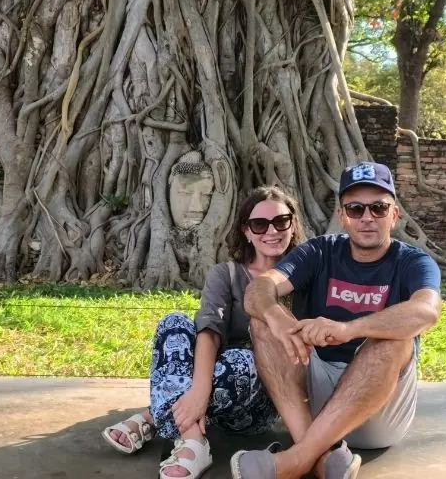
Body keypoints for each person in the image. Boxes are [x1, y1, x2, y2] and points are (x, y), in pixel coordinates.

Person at [232, 162, 443, 479]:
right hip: (319, 397)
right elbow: (260, 288)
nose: (367, 217)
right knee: (263, 321)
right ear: (342, 215)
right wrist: (275, 315)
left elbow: (426, 311)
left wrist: (349, 329)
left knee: (396, 340)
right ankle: (322, 455)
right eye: (356, 208)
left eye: (378, 208)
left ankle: (295, 461)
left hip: (380, 407)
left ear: (394, 215)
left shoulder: (413, 262)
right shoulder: (320, 252)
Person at [102, 186, 306, 479]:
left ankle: (153, 417)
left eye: (281, 221)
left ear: (293, 224)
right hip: (211, 386)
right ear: (246, 231)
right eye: (260, 224)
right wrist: (198, 391)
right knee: (174, 323)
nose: (271, 231)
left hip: (258, 401)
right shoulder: (228, 274)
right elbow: (208, 332)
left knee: (242, 360)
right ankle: (194, 440)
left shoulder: (305, 277)